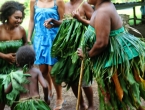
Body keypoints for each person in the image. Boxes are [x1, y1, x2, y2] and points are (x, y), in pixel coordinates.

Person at [77, 0, 145, 110]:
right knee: (119, 99)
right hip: (115, 58)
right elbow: (97, 25)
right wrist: (80, 20)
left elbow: (101, 43)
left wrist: (87, 55)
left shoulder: (102, 12)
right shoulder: (102, 8)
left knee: (119, 97)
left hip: (114, 62)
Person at [45, 0, 95, 109]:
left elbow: (94, 23)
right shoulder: (66, 5)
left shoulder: (85, 4)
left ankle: (91, 105)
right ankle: (81, 104)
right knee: (71, 79)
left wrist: (80, 19)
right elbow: (67, 21)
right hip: (68, 48)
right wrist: (55, 22)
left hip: (82, 45)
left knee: (85, 81)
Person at [27, 0, 65, 110]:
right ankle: (49, 88)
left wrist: (54, 23)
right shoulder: (33, 1)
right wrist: (29, 38)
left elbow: (64, 20)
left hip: (53, 39)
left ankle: (59, 97)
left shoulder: (58, 1)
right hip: (39, 39)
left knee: (53, 71)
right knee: (43, 70)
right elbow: (31, 20)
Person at [4, 45, 51, 110]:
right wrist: (46, 98)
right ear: (34, 60)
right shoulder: (37, 71)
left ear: (17, 62)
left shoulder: (16, 74)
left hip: (22, 105)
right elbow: (45, 86)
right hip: (36, 103)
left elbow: (6, 91)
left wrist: (8, 79)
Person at [0, 1, 27, 110]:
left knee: (16, 98)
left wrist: (21, 55)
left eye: (21, 18)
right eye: (16, 17)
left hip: (16, 69)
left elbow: (26, 44)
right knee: (0, 97)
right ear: (7, 16)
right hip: (1, 69)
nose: (19, 20)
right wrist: (4, 56)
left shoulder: (21, 30)